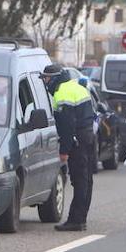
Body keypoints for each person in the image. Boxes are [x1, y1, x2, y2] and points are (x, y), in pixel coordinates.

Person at [41, 64, 96, 231]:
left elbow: (66, 125)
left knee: (79, 181)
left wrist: (64, 150)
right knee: (86, 180)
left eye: (47, 78)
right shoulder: (76, 87)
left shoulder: (62, 92)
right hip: (87, 137)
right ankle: (81, 218)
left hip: (77, 140)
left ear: (56, 77)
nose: (45, 81)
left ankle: (76, 220)